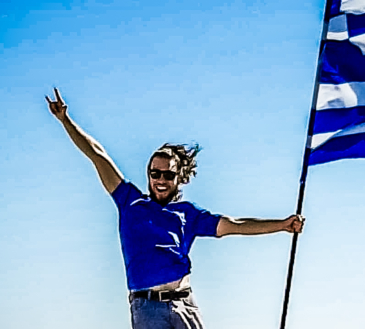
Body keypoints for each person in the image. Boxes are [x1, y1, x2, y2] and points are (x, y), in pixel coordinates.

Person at [45, 88, 305, 329]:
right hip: (147, 308)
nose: (160, 180)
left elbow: (233, 225)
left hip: (185, 305)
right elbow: (97, 154)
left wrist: (282, 225)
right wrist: (66, 121)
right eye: (154, 173)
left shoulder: (188, 214)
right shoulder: (129, 201)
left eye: (167, 175)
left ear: (180, 177)